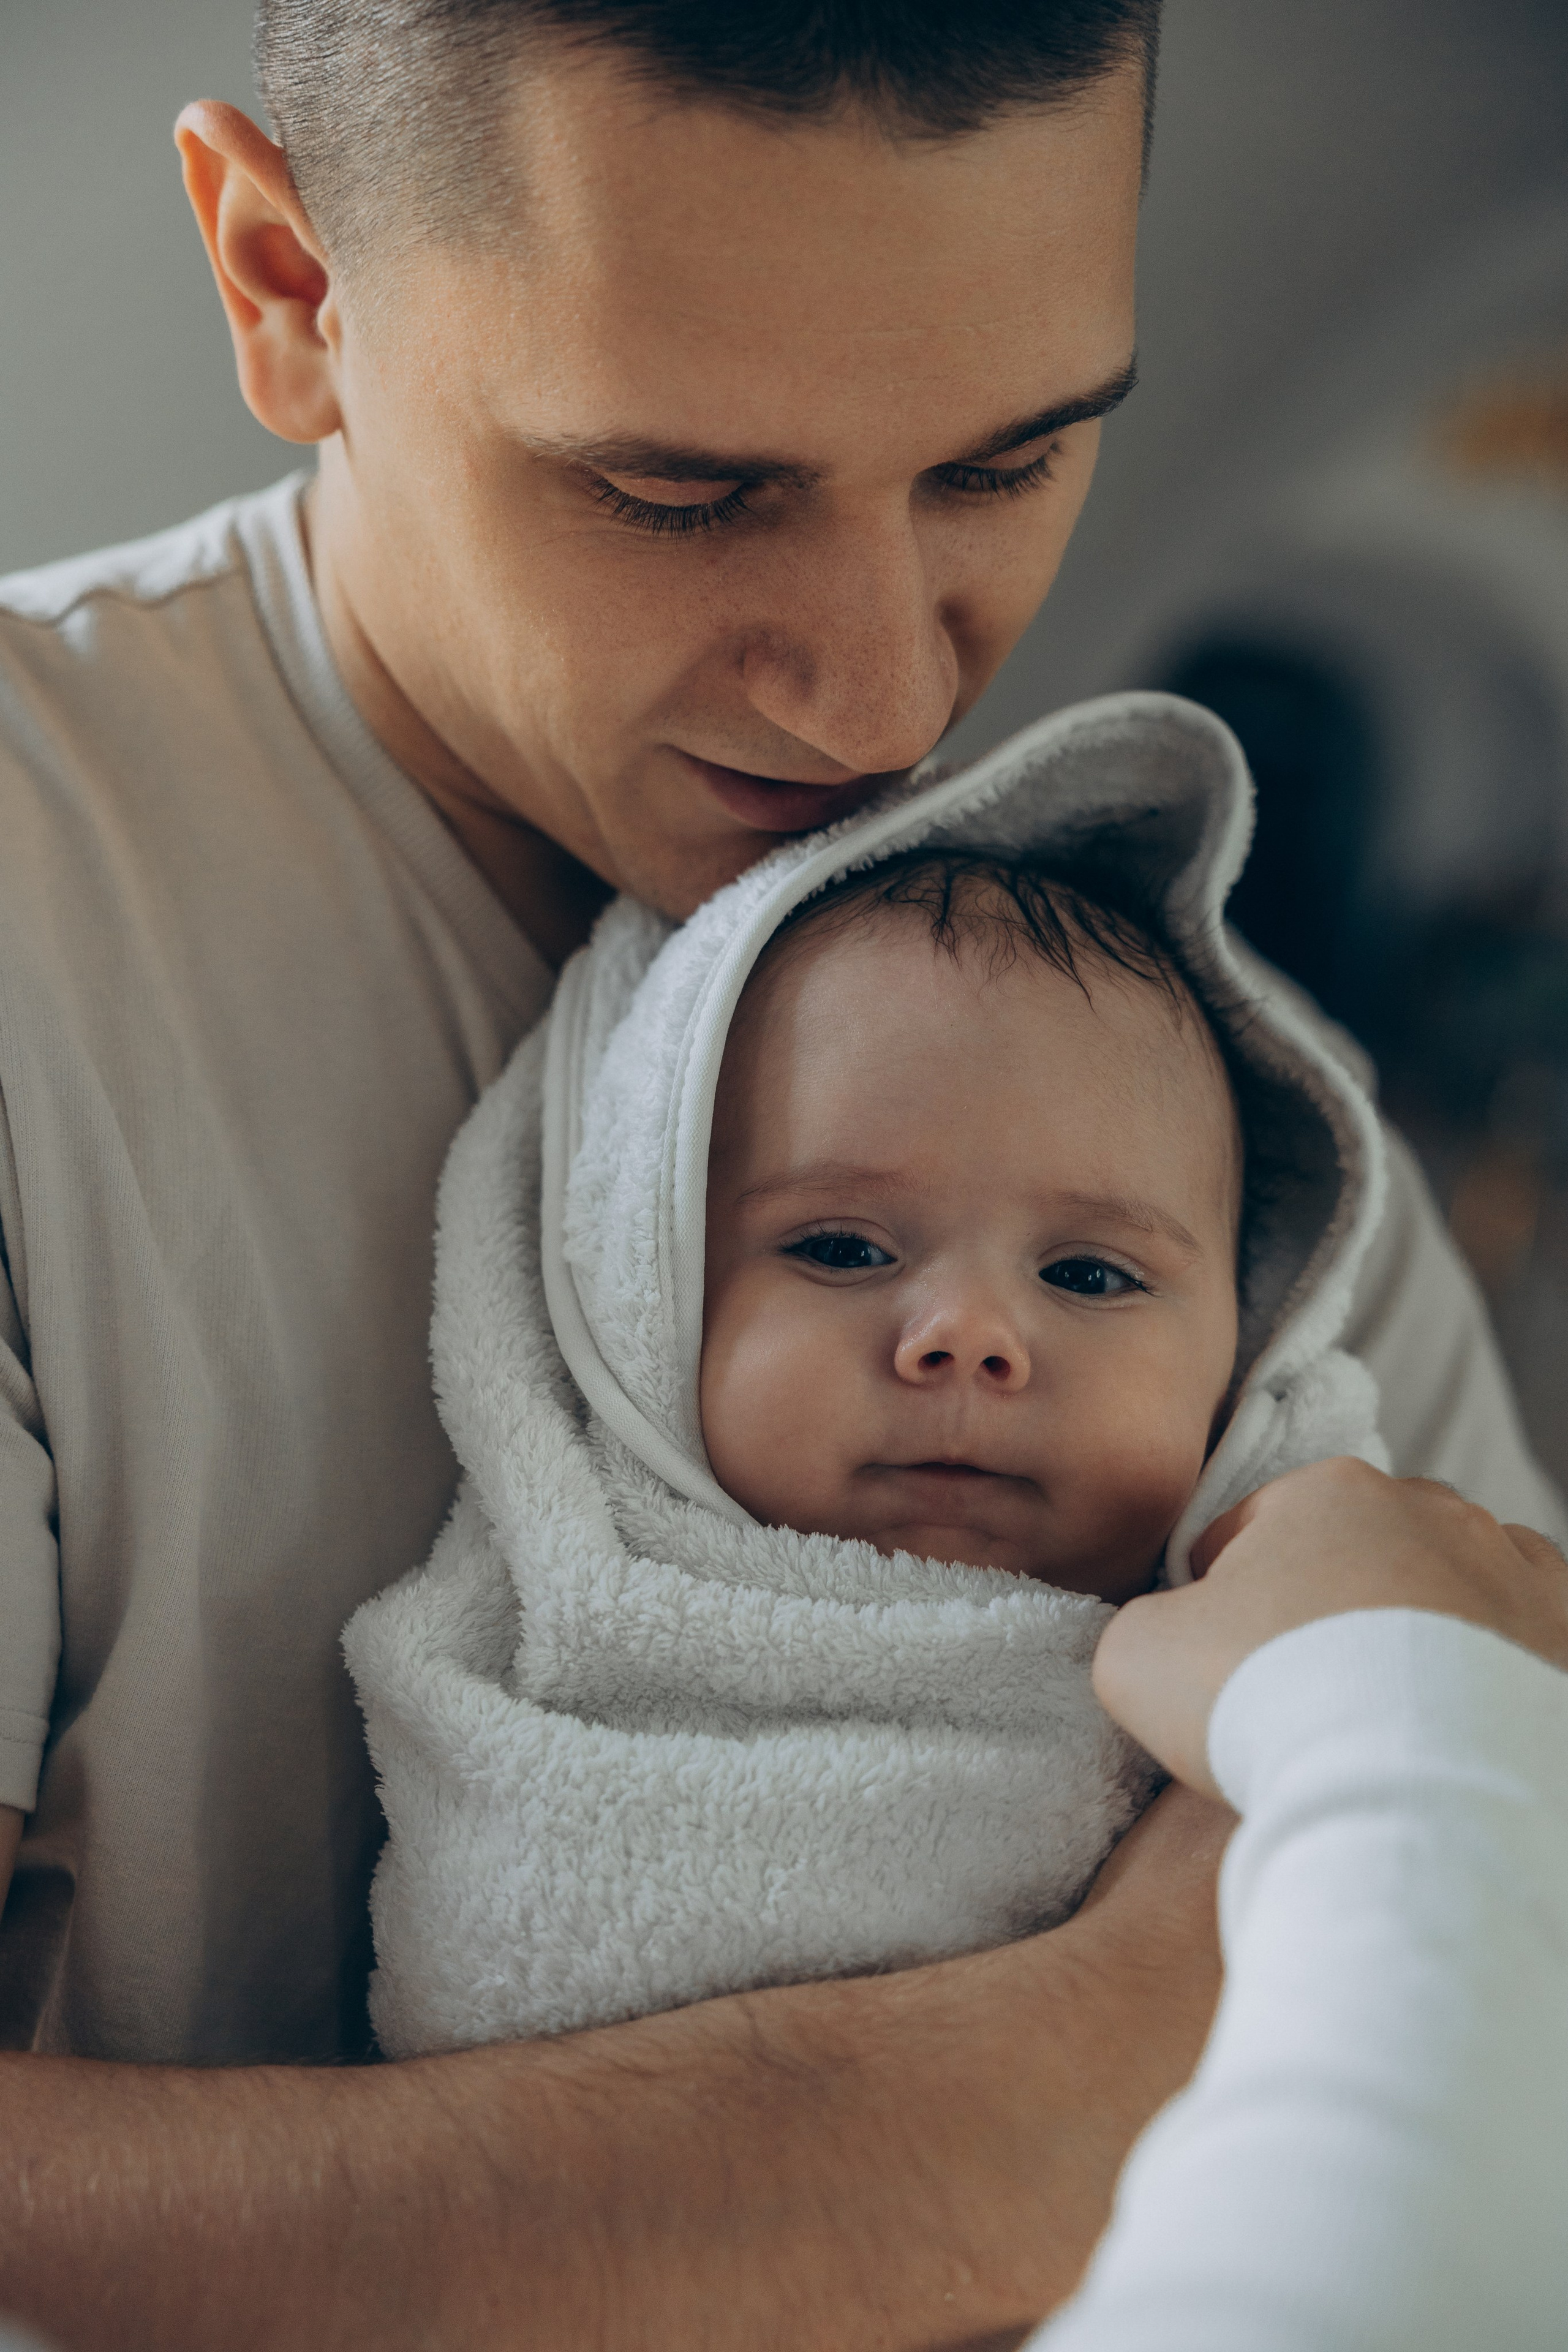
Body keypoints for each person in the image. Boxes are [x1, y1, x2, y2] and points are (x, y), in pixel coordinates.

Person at [0, 4, 1558, 2345]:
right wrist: (1002, 2112)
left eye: (1010, 465)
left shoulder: (1175, 1074)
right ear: (289, 284)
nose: (877, 704)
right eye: (677, 491)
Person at [345, 691, 1393, 2057]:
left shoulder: (1305, 1642)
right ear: (638, 1298)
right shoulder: (566, 1659)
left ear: (1243, 1350)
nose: (966, 1337)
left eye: (1086, 1275)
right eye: (840, 1247)